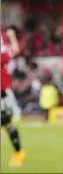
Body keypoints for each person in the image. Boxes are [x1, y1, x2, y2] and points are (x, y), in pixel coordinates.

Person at [1, 30, 27, 167]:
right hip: (4, 89)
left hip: (2, 91)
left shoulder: (4, 51)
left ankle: (19, 152)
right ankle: (19, 152)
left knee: (7, 122)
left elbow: (10, 54)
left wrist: (11, 37)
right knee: (7, 123)